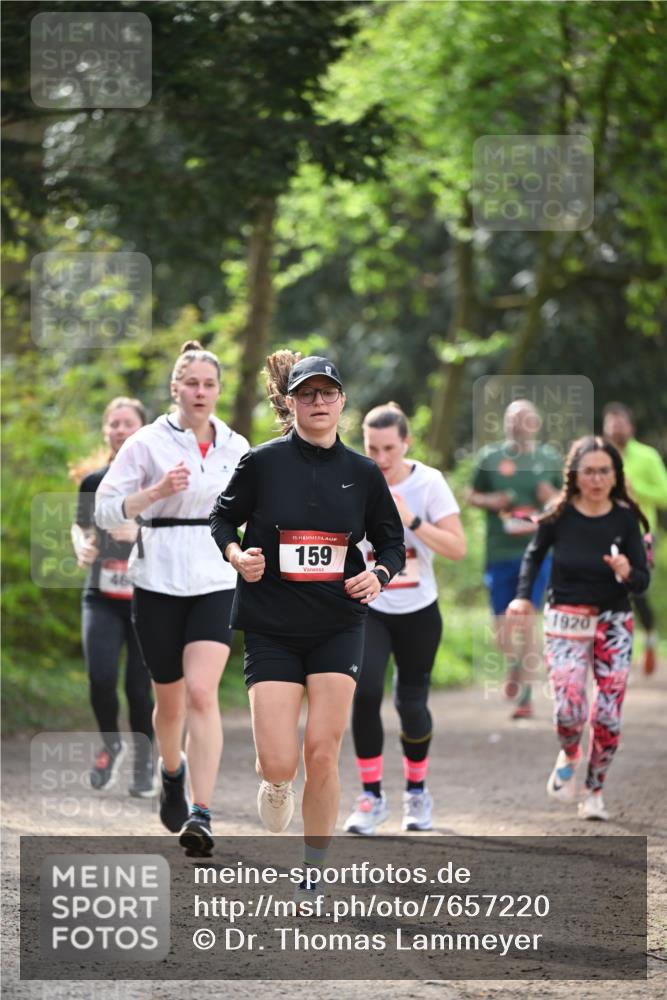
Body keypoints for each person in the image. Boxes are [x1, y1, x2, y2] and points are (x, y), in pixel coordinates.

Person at [210, 352, 405, 900]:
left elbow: (392, 543)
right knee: (279, 760)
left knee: (322, 749)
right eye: (307, 393)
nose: (319, 403)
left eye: (328, 393)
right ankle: (276, 784)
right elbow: (221, 516)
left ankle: (313, 865)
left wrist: (380, 574)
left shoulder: (363, 474)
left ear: (342, 401)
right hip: (271, 624)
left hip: (337, 624)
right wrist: (235, 554)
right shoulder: (263, 463)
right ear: (289, 401)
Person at [95, 341, 249, 856]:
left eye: (209, 385)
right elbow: (106, 511)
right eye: (192, 384)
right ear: (175, 389)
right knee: (170, 700)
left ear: (218, 391)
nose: (200, 392)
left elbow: (259, 510)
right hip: (158, 577)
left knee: (203, 695)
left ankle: (201, 813)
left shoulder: (236, 446)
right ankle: (171, 771)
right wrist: (155, 492)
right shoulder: (146, 442)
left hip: (215, 576)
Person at [507, 436, 650, 821]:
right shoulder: (559, 513)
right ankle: (571, 752)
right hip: (566, 617)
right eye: (589, 471)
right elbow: (533, 556)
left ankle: (594, 789)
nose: (597, 479)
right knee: (569, 709)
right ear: (575, 474)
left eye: (605, 471)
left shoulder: (624, 519)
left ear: (615, 475)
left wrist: (627, 572)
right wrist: (523, 597)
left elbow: (642, 582)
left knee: (607, 715)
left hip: (613, 621)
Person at [343, 402, 465, 836]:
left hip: (418, 611)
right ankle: (371, 796)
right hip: (370, 608)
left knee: (411, 704)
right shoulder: (354, 476)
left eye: (389, 448)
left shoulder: (429, 483)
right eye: (372, 447)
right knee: (365, 692)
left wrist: (409, 517)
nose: (380, 458)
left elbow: (456, 548)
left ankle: (417, 791)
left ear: (406, 443)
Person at [70, 396, 154, 796]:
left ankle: (144, 760)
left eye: (128, 423)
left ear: (143, 429)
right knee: (100, 677)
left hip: (147, 600)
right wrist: (81, 546)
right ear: (106, 431)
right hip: (101, 595)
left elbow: (180, 532)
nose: (120, 430)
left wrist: (140, 535)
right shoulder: (94, 481)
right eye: (113, 424)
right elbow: (80, 526)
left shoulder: (158, 483)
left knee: (139, 689)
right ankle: (111, 743)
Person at [468, 400, 561, 718]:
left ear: (536, 423)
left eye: (523, 418)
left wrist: (553, 497)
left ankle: (525, 696)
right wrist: (491, 500)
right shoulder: (490, 457)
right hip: (499, 551)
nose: (517, 423)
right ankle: (513, 665)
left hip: (537, 552)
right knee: (502, 626)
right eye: (511, 418)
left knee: (528, 619)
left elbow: (571, 499)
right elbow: (471, 495)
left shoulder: (549, 458)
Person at [603, 402, 667, 675]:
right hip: (604, 533)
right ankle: (616, 654)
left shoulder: (647, 456)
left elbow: (664, 495)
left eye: (621, 423)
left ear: (631, 427)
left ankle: (650, 636)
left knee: (635, 590)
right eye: (611, 424)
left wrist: (633, 487)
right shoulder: (599, 455)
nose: (616, 429)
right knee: (609, 591)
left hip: (641, 535)